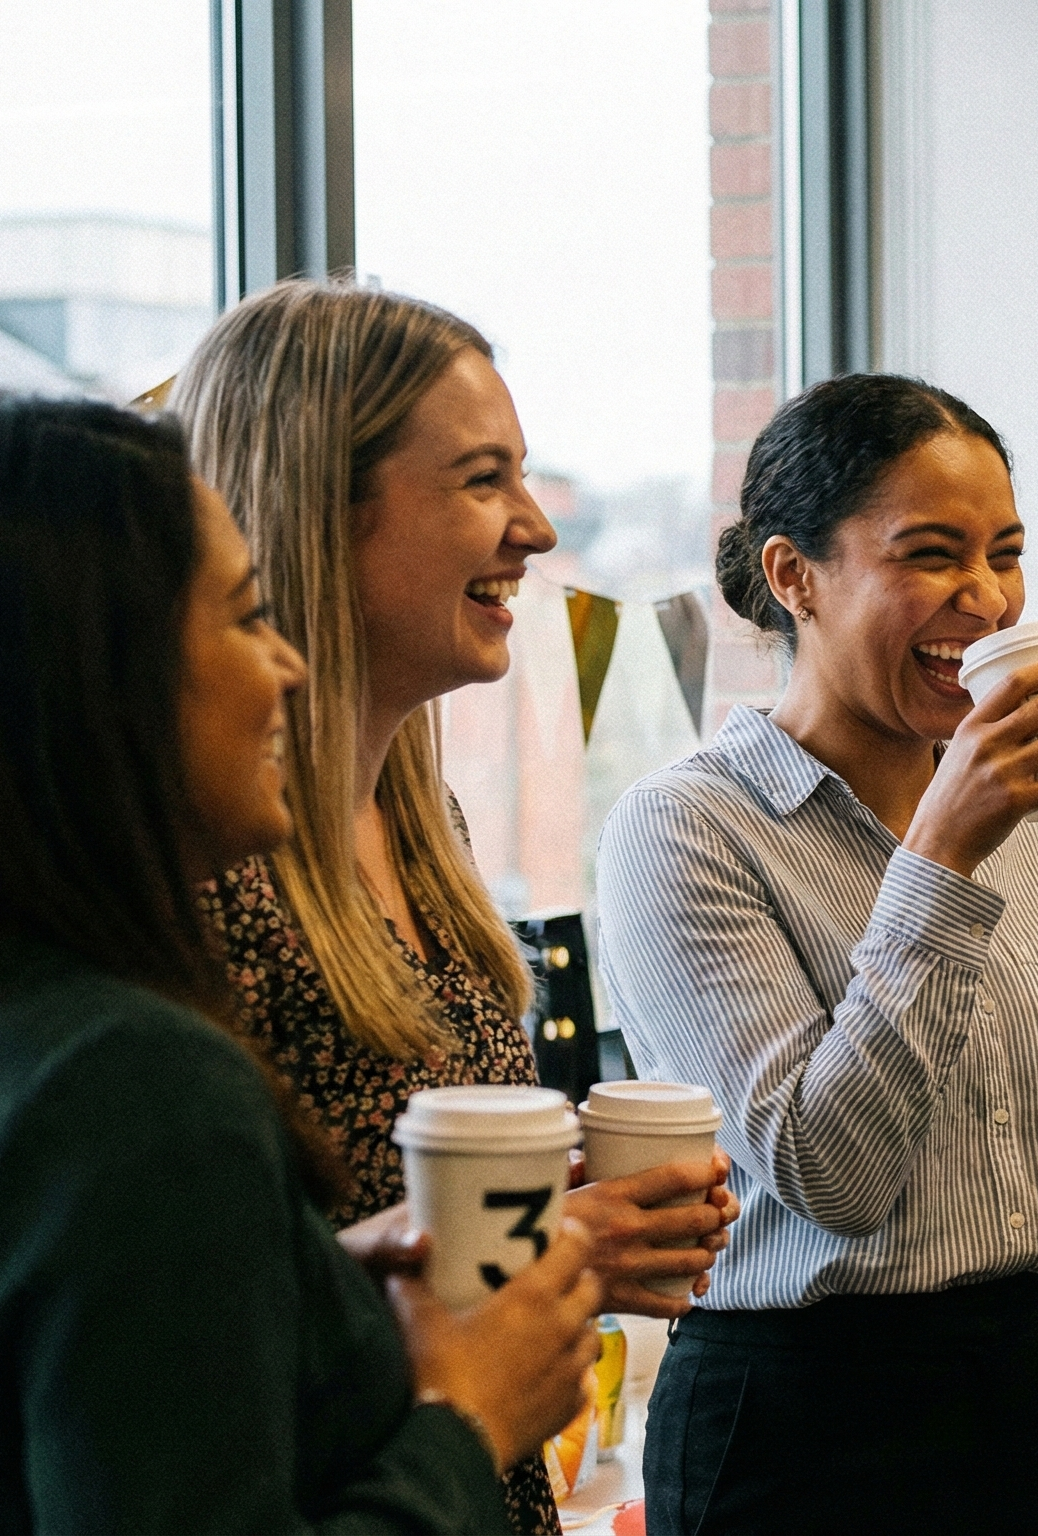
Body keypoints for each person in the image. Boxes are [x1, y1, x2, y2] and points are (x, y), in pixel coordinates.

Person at [592, 372, 1038, 1536]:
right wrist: (943, 855)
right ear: (793, 575)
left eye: (1004, 552)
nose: (989, 598)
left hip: (1032, 1385)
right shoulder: (687, 828)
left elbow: (1026, 1175)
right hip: (801, 1424)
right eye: (931, 554)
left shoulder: (1006, 819)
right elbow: (832, 1175)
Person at [0, 393, 605, 1534]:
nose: (289, 669)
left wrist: (317, 1282)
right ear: (107, 676)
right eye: (246, 619)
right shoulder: (129, 1076)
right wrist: (470, 1419)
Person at [170, 280, 739, 1536]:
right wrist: (555, 1244)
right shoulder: (204, 878)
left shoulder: (431, 831)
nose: (535, 529)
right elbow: (190, 1321)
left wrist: (567, 1221)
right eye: (483, 480)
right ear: (320, 509)